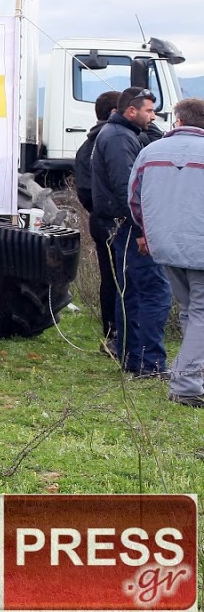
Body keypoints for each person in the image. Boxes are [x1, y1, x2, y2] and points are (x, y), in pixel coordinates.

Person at [91, 86, 171, 377]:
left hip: (123, 225)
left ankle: (134, 359)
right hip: (128, 227)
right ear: (131, 111)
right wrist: (141, 229)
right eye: (149, 110)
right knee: (154, 292)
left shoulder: (123, 135)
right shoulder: (118, 139)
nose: (153, 116)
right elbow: (129, 188)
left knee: (133, 293)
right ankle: (149, 363)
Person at [129, 97, 204, 407]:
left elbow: (134, 198)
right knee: (199, 314)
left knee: (191, 311)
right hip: (199, 246)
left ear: (179, 121)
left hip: (165, 246)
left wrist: (150, 232)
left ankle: (192, 376)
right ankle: (186, 384)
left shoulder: (149, 152)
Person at [75, 90, 123, 347]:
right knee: (120, 279)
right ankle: (118, 336)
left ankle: (113, 334)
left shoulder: (87, 145)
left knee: (110, 278)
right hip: (113, 221)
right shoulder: (113, 142)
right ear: (116, 112)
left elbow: (83, 191)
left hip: (100, 218)